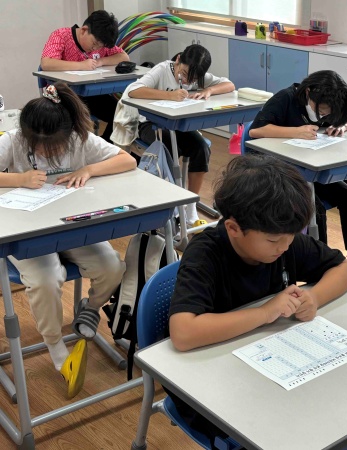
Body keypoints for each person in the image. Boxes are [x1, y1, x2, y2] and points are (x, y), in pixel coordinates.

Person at [167, 154, 347, 444]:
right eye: (273, 241)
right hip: (213, 385)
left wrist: (314, 297)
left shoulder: (282, 238)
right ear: (233, 228)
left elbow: (345, 269)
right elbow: (183, 333)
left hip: (273, 369)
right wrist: (265, 313)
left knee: (333, 413)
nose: (285, 246)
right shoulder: (205, 254)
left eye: (291, 236)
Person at [0, 82, 137, 397]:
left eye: (54, 147)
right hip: (28, 233)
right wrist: (17, 178)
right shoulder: (13, 140)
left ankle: (91, 307)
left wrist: (89, 169)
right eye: (38, 146)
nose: (46, 152)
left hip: (71, 228)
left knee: (112, 266)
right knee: (47, 279)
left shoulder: (80, 139)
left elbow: (127, 160)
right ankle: (56, 348)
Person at [248, 70, 347, 276]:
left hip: (311, 169)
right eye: (322, 111)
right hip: (281, 173)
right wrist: (295, 132)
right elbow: (255, 131)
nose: (324, 116)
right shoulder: (286, 98)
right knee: (315, 207)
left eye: (329, 113)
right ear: (308, 93)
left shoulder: (333, 100)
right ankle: (323, 267)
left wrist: (343, 126)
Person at [112, 44, 235, 228]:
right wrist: (168, 96)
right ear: (178, 60)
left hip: (176, 126)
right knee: (169, 147)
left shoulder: (197, 76)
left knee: (200, 148)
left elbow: (229, 85)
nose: (187, 80)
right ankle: (170, 205)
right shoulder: (163, 69)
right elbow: (133, 90)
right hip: (149, 124)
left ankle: (190, 205)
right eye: (184, 74)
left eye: (193, 79)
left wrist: (208, 90)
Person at [40, 10, 129, 143]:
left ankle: (102, 146)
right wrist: (80, 65)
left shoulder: (101, 42)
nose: (95, 49)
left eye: (100, 47)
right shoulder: (61, 35)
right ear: (84, 30)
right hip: (61, 95)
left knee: (120, 114)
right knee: (70, 122)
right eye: (94, 44)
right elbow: (46, 63)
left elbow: (124, 57)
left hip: (90, 94)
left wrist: (101, 61)